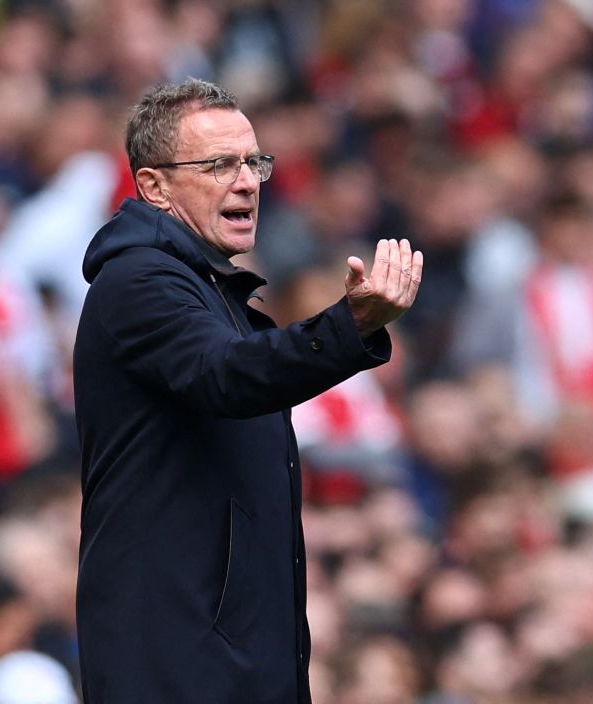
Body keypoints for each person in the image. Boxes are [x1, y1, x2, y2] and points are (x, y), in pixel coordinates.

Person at [72, 78, 423, 703]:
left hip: (229, 659)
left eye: (253, 162)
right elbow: (227, 376)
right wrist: (350, 326)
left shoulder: (212, 291)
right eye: (219, 165)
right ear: (153, 186)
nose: (248, 181)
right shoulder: (138, 282)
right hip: (177, 664)